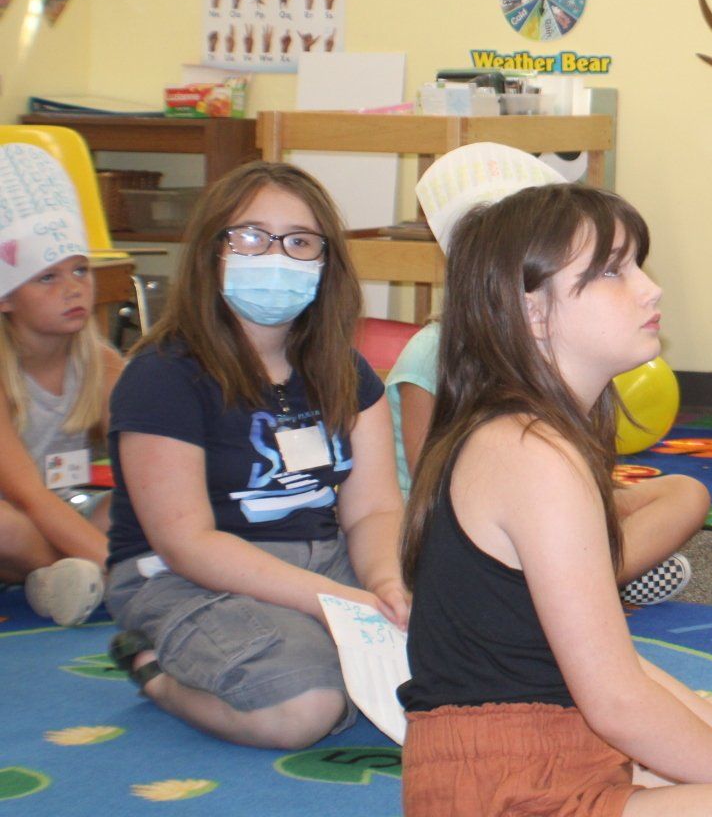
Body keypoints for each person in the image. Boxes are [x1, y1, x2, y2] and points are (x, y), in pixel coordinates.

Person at [400, 182, 712, 817]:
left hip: (569, 745)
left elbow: (614, 670)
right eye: (612, 272)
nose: (650, 288)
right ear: (532, 313)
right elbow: (617, 703)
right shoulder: (528, 452)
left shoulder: (539, 435)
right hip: (509, 786)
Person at [104, 161, 408, 748]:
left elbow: (372, 511)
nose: (275, 256)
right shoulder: (163, 375)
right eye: (250, 236)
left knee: (473, 650)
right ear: (210, 251)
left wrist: (385, 582)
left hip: (327, 563)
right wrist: (340, 605)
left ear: (326, 263)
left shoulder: (347, 373)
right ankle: (155, 674)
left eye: (299, 241)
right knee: (305, 706)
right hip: (192, 578)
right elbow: (187, 542)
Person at [389, 142, 706, 607]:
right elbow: (429, 488)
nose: (653, 289)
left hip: (522, 532)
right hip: (449, 538)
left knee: (687, 492)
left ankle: (580, 570)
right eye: (613, 270)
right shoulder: (505, 432)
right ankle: (584, 577)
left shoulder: (557, 392)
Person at [0, 144, 124, 625]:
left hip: (65, 510)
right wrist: (122, 573)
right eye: (47, 278)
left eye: (79, 270)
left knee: (136, 504)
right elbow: (28, 496)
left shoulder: (104, 364)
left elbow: (148, 461)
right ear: (6, 299)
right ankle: (75, 571)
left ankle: (50, 581)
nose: (72, 288)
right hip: (19, 516)